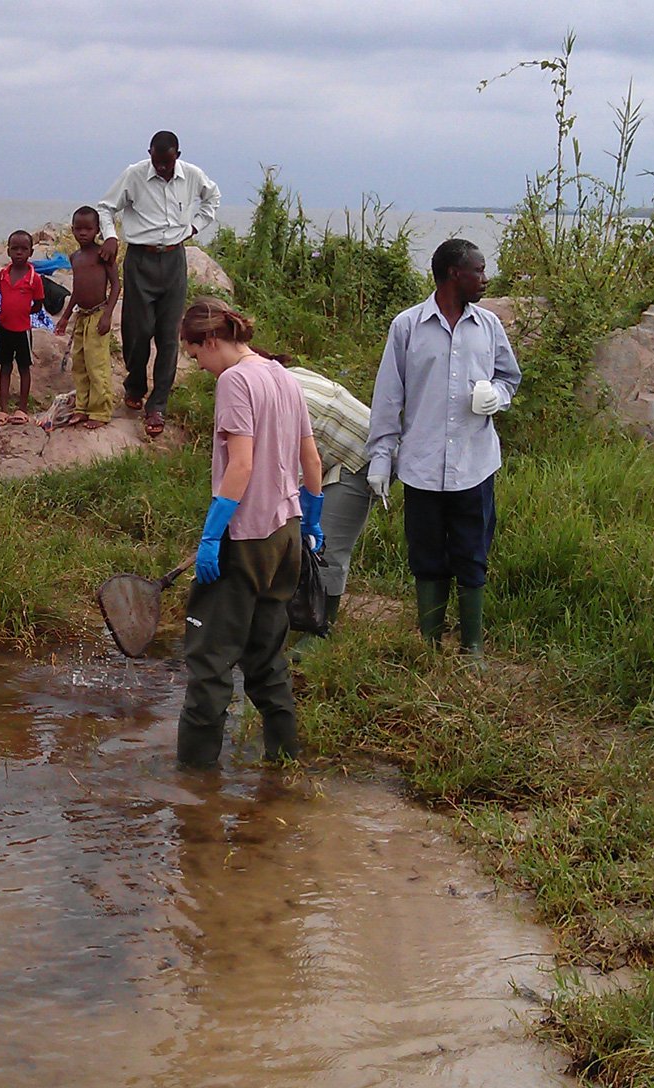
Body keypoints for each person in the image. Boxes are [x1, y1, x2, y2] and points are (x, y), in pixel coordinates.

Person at [176, 297, 324, 770]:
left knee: (209, 664)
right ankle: (284, 764)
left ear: (212, 339)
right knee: (266, 657)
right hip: (287, 535)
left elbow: (240, 464)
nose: (199, 365)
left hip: (246, 539)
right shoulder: (283, 375)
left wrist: (212, 534)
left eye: (196, 354)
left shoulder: (235, 380)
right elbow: (312, 460)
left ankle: (194, 788)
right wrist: (313, 519)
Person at [365, 238, 521, 661]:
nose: (486, 280)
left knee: (472, 554)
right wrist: (381, 457)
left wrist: (498, 396)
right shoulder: (408, 327)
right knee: (427, 556)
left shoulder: (489, 327)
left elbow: (510, 377)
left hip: (475, 464)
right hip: (422, 464)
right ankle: (431, 647)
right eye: (479, 271)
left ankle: (472, 649)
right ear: (455, 274)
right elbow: (388, 397)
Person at [96, 131, 221, 439]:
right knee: (137, 331)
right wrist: (111, 236)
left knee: (168, 336)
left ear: (177, 156)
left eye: (167, 163)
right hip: (141, 259)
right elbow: (105, 208)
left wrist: (195, 226)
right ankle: (135, 384)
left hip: (174, 259)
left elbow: (213, 198)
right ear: (149, 153)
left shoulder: (192, 175)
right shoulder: (134, 174)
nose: (162, 168)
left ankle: (158, 405)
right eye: (157, 161)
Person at [286, 366, 377, 632]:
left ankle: (322, 628)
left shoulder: (277, 400)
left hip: (362, 455)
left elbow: (301, 465)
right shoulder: (280, 375)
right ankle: (300, 614)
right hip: (330, 447)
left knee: (328, 543)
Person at [54, 206, 120, 429]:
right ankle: (82, 407)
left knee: (96, 364)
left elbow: (117, 286)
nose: (83, 233)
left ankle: (100, 411)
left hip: (98, 314)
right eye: (78, 228)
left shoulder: (103, 255)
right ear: (72, 229)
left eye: (88, 229)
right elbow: (77, 290)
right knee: (80, 363)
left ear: (98, 230)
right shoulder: (75, 257)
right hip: (81, 316)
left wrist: (107, 315)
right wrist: (65, 318)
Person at [0, 230, 45, 425]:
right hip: (4, 328)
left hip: (22, 330)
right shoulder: (4, 274)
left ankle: (22, 409)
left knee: (24, 368)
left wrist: (25, 313)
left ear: (31, 252)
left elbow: (39, 303)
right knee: (5, 367)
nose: (19, 253)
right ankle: (3, 410)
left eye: (24, 249)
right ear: (8, 251)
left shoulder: (34, 279)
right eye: (15, 248)